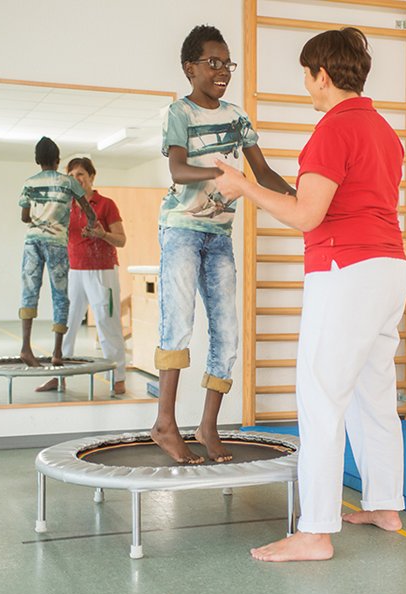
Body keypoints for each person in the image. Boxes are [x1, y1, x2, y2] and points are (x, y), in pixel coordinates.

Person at [214, 28, 406, 561]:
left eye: (306, 75)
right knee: (374, 394)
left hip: (345, 272)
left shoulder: (331, 130)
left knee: (322, 398)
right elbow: (334, 199)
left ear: (322, 75)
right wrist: (261, 180)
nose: (305, 85)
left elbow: (306, 215)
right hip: (390, 271)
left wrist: (243, 188)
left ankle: (315, 531)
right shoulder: (384, 132)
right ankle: (385, 503)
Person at [151, 25, 294, 464]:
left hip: (219, 235)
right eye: (212, 63)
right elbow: (178, 170)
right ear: (189, 67)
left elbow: (262, 173)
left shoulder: (237, 116)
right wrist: (222, 177)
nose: (222, 71)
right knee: (177, 325)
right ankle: (164, 424)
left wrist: (297, 198)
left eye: (227, 64)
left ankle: (207, 425)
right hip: (181, 228)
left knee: (227, 335)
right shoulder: (180, 113)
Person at [36, 157, 128, 394]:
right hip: (73, 272)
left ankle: (117, 377)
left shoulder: (106, 204)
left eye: (80, 174)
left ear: (91, 177)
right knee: (64, 325)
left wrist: (102, 234)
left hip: (102, 271)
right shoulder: (67, 206)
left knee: (108, 325)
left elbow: (121, 240)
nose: (76, 179)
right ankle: (59, 376)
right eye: (72, 175)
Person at [19, 137, 97, 368]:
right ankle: (56, 352)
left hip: (32, 242)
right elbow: (87, 209)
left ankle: (25, 347)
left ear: (36, 160)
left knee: (29, 291)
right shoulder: (68, 182)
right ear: (58, 159)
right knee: (60, 294)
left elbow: (24, 217)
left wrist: (39, 216)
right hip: (56, 243)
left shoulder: (29, 183)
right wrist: (90, 224)